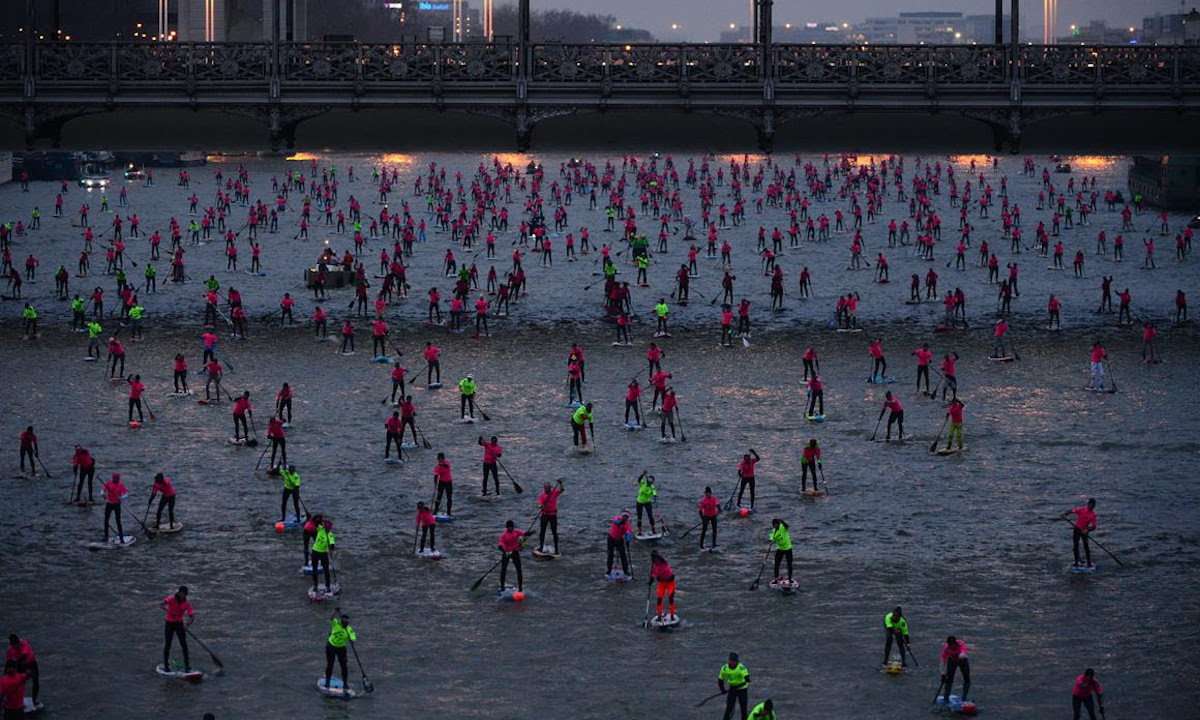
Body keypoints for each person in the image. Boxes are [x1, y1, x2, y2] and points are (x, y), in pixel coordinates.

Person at [323, 608, 356, 697]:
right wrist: (335, 612)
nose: (346, 624)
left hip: (341, 648)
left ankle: (345, 684)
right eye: (344, 622)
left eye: (347, 623)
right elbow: (330, 618)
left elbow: (353, 636)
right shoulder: (336, 623)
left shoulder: (349, 629)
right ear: (341, 621)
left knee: (344, 666)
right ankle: (327, 683)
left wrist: (352, 640)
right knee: (330, 664)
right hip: (331, 646)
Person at [160, 586, 194, 672]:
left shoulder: (186, 603)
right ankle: (166, 666)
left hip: (179, 624)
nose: (182, 595)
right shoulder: (171, 599)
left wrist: (187, 624)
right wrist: (163, 606)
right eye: (181, 593)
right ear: (179, 593)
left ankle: (187, 665)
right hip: (169, 623)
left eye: (184, 594)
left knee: (184, 645)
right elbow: (163, 603)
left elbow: (192, 616)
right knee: (168, 644)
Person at [1061, 498, 1098, 567]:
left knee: (1086, 546)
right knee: (1076, 545)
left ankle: (1089, 563)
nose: (1091, 506)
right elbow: (1071, 511)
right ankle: (1076, 562)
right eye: (1090, 504)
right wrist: (1065, 514)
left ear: (1094, 506)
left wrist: (1087, 530)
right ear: (1088, 504)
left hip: (1084, 531)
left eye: (1093, 505)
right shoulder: (1082, 510)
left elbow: (1094, 526)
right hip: (1077, 529)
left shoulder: (1093, 515)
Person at [4, 636, 37, 707]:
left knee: (35, 680)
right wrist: (5, 675)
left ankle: (34, 700)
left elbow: (24, 656)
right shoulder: (10, 649)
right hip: (20, 664)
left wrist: (15, 665)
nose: (16, 647)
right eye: (14, 646)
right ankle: (19, 701)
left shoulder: (24, 644)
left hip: (31, 663)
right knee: (19, 683)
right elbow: (8, 661)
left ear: (19, 642)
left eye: (17, 645)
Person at [717, 652, 750, 720]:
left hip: (742, 689)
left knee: (743, 708)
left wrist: (746, 678)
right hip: (732, 689)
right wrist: (722, 689)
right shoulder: (725, 668)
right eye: (731, 660)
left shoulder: (741, 667)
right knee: (729, 708)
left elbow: (746, 677)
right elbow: (721, 679)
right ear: (729, 660)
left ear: (737, 661)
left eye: (734, 661)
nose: (732, 662)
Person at [536, 479, 564, 554]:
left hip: (552, 515)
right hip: (545, 515)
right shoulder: (542, 495)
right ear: (544, 488)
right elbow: (538, 504)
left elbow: (562, 490)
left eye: (549, 488)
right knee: (542, 532)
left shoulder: (554, 493)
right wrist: (541, 505)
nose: (548, 489)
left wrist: (560, 484)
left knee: (554, 532)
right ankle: (541, 547)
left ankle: (556, 549)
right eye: (546, 488)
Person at [939, 636, 970, 703]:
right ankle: (946, 697)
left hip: (962, 660)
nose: (952, 647)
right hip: (952, 660)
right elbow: (942, 662)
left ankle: (964, 697)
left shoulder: (960, 644)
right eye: (951, 645)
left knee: (966, 677)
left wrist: (961, 655)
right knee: (949, 678)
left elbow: (963, 652)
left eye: (953, 645)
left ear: (955, 643)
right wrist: (942, 673)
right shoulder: (946, 648)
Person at [498, 519, 526, 592]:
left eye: (511, 527)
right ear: (507, 527)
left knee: (519, 570)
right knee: (503, 570)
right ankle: (502, 587)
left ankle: (520, 588)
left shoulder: (516, 532)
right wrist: (503, 550)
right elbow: (500, 544)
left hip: (515, 552)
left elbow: (523, 533)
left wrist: (528, 534)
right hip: (506, 553)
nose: (510, 528)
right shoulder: (504, 535)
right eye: (509, 527)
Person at [311, 516, 336, 593]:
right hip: (315, 551)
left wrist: (331, 548)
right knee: (314, 569)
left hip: (323, 553)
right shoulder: (320, 529)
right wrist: (322, 520)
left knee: (326, 570)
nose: (328, 530)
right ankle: (315, 585)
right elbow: (314, 520)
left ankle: (328, 586)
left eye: (329, 529)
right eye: (327, 528)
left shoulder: (330, 535)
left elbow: (332, 544)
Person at [649, 551, 676, 621]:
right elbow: (653, 574)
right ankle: (659, 615)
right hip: (661, 583)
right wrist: (651, 580)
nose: (656, 561)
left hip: (670, 582)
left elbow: (666, 572)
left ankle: (672, 615)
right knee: (659, 600)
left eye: (656, 559)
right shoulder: (654, 565)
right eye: (654, 560)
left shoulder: (664, 563)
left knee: (670, 599)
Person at [101, 472, 128, 543]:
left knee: (118, 521)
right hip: (109, 504)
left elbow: (126, 494)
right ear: (112, 478)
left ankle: (121, 537)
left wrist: (121, 498)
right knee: (106, 520)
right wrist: (103, 495)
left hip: (117, 504)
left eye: (116, 479)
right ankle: (106, 537)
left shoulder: (121, 485)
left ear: (118, 479)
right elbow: (102, 491)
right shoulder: (108, 483)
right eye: (114, 479)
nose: (115, 480)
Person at [607, 510, 633, 577]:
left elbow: (628, 532)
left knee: (623, 555)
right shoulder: (617, 518)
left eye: (626, 517)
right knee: (610, 554)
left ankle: (625, 571)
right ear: (622, 516)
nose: (625, 518)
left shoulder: (627, 524)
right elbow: (616, 522)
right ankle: (609, 570)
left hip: (619, 539)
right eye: (624, 516)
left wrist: (628, 540)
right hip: (611, 538)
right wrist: (621, 522)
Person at [769, 519, 793, 583]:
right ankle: (776, 579)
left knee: (789, 564)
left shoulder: (783, 527)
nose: (775, 526)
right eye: (774, 525)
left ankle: (790, 579)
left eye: (777, 525)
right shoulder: (773, 531)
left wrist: (782, 521)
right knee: (776, 564)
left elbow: (787, 526)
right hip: (780, 549)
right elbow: (771, 539)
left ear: (779, 524)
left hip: (788, 548)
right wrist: (771, 542)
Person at [433, 453, 453, 517]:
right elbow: (436, 475)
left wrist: (441, 464)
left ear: (443, 458)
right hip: (441, 482)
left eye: (441, 458)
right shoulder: (437, 467)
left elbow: (446, 466)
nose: (440, 460)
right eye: (439, 458)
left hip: (448, 482)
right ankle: (435, 510)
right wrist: (435, 483)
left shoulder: (447, 463)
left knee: (449, 497)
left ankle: (449, 512)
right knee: (439, 497)